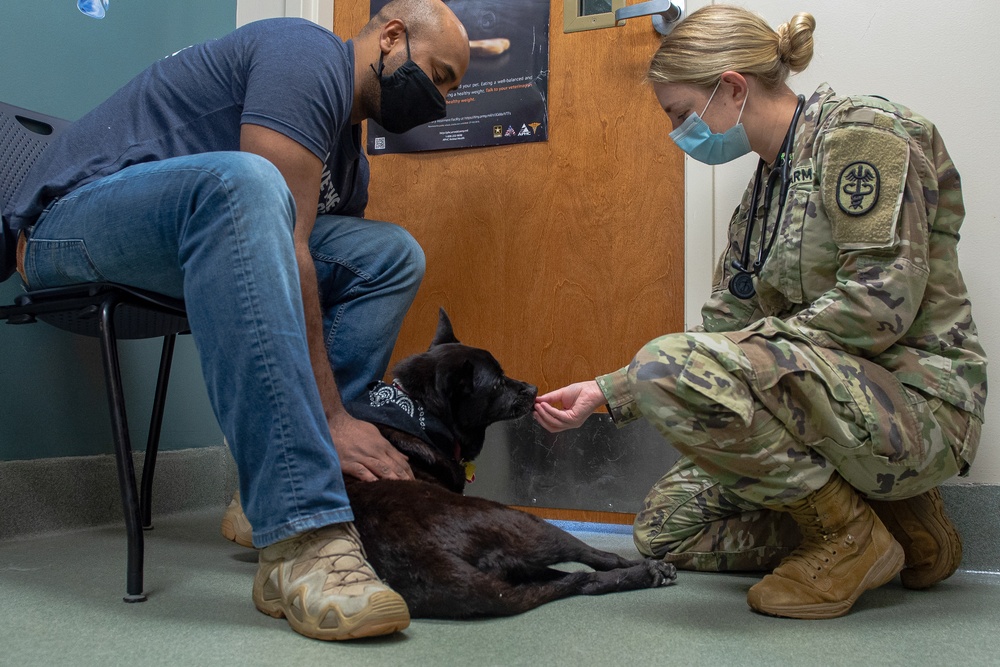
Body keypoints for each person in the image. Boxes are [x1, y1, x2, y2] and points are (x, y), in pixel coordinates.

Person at [4, 0, 470, 641]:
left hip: (178, 252)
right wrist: (332, 415)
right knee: (245, 183)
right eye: (439, 76)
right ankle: (302, 532)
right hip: (64, 231)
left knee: (389, 255)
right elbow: (290, 244)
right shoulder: (304, 55)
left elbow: (312, 280)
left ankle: (286, 485)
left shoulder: (348, 156)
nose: (439, 99)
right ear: (391, 37)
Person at [533, 5, 987, 620]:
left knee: (669, 366)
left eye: (680, 114)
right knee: (665, 529)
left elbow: (880, 305)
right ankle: (893, 526)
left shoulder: (862, 137)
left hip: (918, 406)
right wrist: (606, 390)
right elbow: (720, 328)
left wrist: (744, 353)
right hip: (827, 405)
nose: (679, 133)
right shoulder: (762, 198)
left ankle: (846, 539)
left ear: (732, 87)